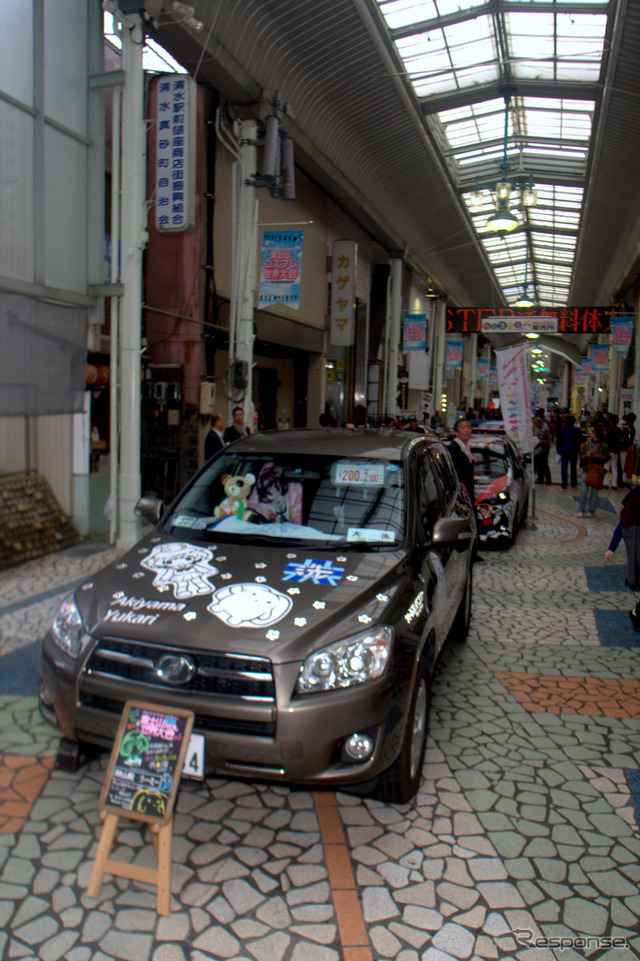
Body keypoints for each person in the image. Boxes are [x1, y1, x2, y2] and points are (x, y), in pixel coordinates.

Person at [448, 418, 485, 563]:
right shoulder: (454, 449)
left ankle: (472, 553)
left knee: (471, 522)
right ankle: (468, 554)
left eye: (469, 427)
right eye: (463, 427)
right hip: (461, 493)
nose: (467, 430)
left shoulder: (465, 447)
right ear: (456, 431)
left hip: (468, 492)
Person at [577, 423, 609, 517]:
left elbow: (607, 457)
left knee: (594, 491)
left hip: (597, 470)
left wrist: (600, 456)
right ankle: (581, 509)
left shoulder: (603, 446)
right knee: (584, 490)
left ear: (596, 433)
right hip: (587, 469)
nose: (590, 433)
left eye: (592, 431)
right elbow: (580, 456)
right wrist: (586, 456)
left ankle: (591, 510)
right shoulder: (587, 444)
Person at [556, 414, 582, 489]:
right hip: (573, 451)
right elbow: (578, 441)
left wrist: (558, 451)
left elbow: (558, 441)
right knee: (573, 467)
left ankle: (564, 483)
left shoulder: (562, 430)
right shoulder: (577, 430)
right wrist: (578, 451)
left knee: (564, 466)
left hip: (564, 450)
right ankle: (573, 482)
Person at [533, 416, 552, 485]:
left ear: (539, 422)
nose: (535, 425)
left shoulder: (543, 429)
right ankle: (540, 478)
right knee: (540, 464)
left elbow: (541, 440)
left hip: (544, 447)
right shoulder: (542, 427)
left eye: (535, 423)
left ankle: (547, 480)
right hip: (542, 447)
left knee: (544, 464)